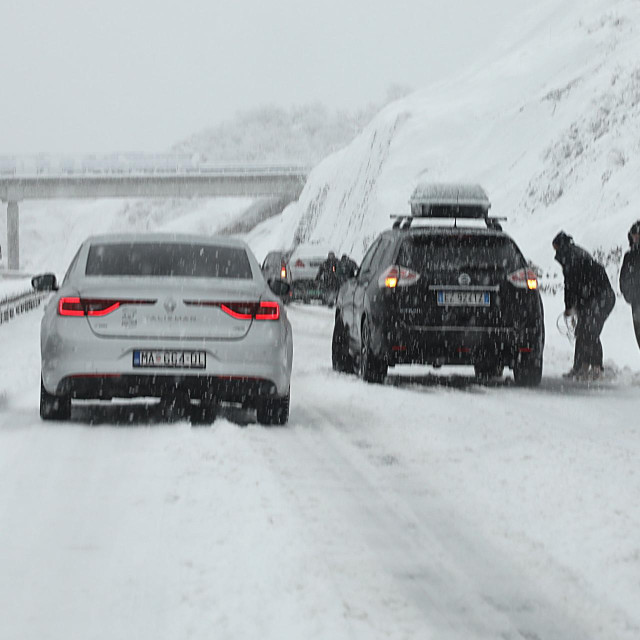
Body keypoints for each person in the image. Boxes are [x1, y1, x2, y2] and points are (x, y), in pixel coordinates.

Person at [553, 231, 615, 380]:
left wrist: (570, 307)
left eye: (555, 248)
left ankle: (595, 368)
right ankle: (582, 366)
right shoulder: (576, 254)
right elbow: (579, 285)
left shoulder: (571, 258)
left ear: (560, 246)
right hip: (595, 297)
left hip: (600, 297)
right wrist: (577, 306)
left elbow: (571, 286)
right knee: (583, 330)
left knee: (590, 330)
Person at [619, 220, 640, 349]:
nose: (636, 237)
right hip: (636, 302)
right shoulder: (629, 255)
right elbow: (623, 278)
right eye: (635, 235)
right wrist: (629, 295)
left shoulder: (630, 255)